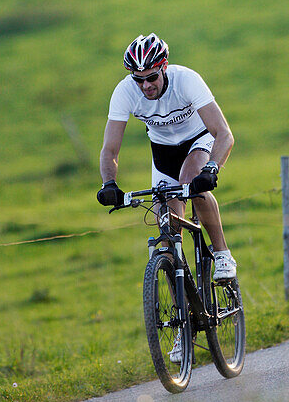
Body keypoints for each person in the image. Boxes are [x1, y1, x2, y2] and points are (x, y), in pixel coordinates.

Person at [97, 32, 237, 282]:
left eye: (151, 77)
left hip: (199, 139)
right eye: (139, 80)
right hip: (163, 151)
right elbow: (109, 150)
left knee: (191, 179)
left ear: (164, 68)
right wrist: (109, 183)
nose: (146, 85)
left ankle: (223, 253)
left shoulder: (187, 80)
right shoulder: (125, 92)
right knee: (167, 232)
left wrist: (212, 168)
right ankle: (182, 312)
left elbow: (224, 134)